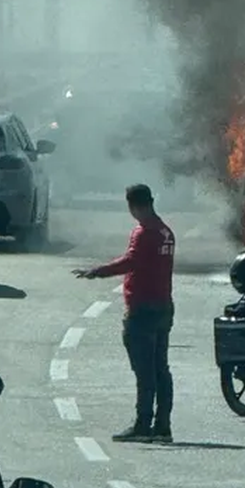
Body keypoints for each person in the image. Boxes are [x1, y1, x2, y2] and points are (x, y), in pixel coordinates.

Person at [73, 184, 176, 443]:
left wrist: (97, 271)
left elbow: (130, 262)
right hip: (163, 305)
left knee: (144, 371)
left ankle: (143, 424)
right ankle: (162, 425)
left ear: (133, 206)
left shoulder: (144, 233)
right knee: (161, 369)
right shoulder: (166, 231)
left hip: (142, 309)